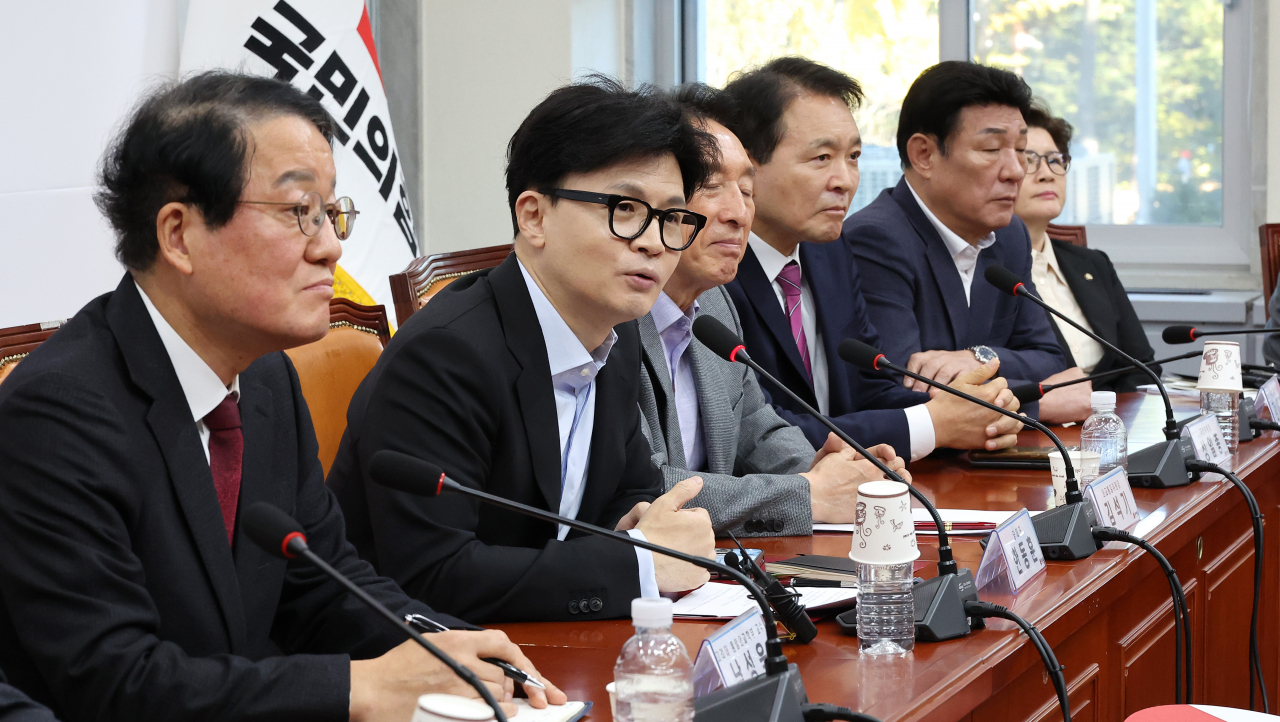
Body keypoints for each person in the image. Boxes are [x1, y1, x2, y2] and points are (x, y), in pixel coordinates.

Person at [0, 72, 562, 722]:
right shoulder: (59, 412)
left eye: (330, 212)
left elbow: (323, 587)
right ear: (179, 234)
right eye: (299, 213)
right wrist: (362, 690)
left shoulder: (265, 381)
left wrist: (443, 645)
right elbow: (114, 681)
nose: (330, 246)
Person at [328, 77, 718, 624]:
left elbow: (628, 498)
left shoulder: (616, 334)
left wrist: (648, 537)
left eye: (673, 218)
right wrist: (638, 567)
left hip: (552, 647)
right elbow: (431, 576)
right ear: (533, 216)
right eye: (626, 209)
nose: (653, 241)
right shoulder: (445, 357)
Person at [636, 83, 909, 535]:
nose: (739, 213)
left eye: (746, 190)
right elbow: (643, 485)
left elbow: (759, 431)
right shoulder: (615, 317)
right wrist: (808, 492)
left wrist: (835, 473)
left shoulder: (714, 306)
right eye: (711, 186)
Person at [720, 57, 1023, 460]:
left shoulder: (829, 251)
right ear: (747, 167)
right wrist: (934, 423)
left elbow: (870, 386)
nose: (844, 181)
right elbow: (763, 430)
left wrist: (973, 411)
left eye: (854, 157)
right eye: (822, 158)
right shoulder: (716, 272)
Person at [843, 61, 1067, 406]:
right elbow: (905, 389)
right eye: (992, 150)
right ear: (924, 155)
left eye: (1020, 150)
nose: (1015, 170)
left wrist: (978, 357)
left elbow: (1050, 357)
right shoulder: (877, 239)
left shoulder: (1010, 236)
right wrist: (1037, 403)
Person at [1012, 102, 1159, 422]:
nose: (1047, 174)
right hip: (1041, 434)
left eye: (1055, 161)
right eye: (1030, 161)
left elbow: (1143, 367)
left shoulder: (1092, 263)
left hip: (1116, 428)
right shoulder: (992, 274)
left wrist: (1112, 423)